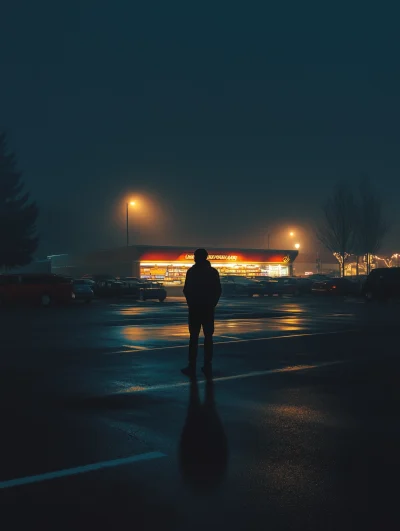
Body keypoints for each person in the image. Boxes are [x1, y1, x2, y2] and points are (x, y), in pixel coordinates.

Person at [181, 248, 222, 378]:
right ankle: (207, 364)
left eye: (195, 256)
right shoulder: (212, 272)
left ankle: (192, 365)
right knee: (208, 337)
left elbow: (186, 289)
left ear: (198, 257)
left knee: (193, 337)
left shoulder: (192, 272)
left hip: (195, 309)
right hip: (208, 309)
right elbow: (218, 290)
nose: (194, 258)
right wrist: (212, 304)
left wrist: (191, 303)